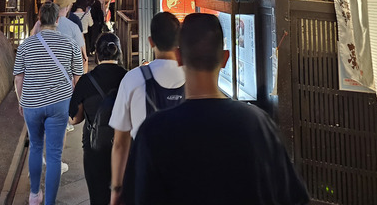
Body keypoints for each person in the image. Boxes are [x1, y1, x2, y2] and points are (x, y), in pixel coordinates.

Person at [121, 14, 310, 205]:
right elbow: (294, 198)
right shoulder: (259, 124)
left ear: (178, 57)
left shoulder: (153, 131)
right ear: (225, 58)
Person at [109, 12, 185, 205]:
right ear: (179, 41)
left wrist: (117, 188)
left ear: (151, 41)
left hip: (144, 173)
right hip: (185, 174)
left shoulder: (133, 79)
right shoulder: (193, 78)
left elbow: (120, 143)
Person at [14, 1, 85, 205]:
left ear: (39, 19)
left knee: (35, 147)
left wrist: (21, 101)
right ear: (57, 19)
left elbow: (19, 77)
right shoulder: (70, 44)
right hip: (59, 104)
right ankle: (50, 202)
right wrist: (75, 104)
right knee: (54, 154)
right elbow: (78, 77)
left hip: (32, 103)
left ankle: (34, 195)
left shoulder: (26, 45)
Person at [69, 33, 128, 205]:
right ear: (118, 52)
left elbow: (74, 119)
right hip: (125, 147)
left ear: (97, 54)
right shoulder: (130, 78)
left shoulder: (86, 81)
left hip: (94, 148)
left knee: (97, 197)